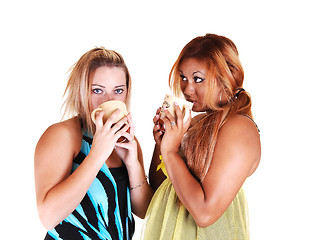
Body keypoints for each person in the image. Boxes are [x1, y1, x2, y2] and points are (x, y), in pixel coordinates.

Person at [141, 34, 261, 239]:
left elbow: (205, 214)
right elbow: (161, 191)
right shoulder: (196, 123)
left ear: (227, 76)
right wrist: (162, 145)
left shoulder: (238, 128)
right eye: (183, 77)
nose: (187, 89)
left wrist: (170, 152)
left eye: (198, 79)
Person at [34, 47, 153, 240]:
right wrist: (98, 154)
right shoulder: (62, 135)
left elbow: (144, 210)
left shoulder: (127, 139)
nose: (108, 100)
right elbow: (48, 217)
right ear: (82, 91)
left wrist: (133, 164)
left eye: (118, 90)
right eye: (97, 90)